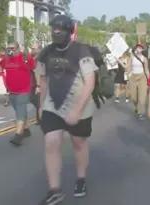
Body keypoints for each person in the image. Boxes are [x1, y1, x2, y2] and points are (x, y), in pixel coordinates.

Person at [36, 15, 99, 204]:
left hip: (79, 104)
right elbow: (44, 80)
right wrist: (41, 106)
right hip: (52, 105)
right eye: (53, 28)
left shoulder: (82, 51)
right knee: (51, 141)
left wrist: (77, 110)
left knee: (78, 143)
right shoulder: (46, 53)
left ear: (69, 31)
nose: (56, 32)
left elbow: (90, 82)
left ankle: (81, 178)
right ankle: (54, 189)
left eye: (60, 29)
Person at [0, 42, 36, 146]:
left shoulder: (26, 58)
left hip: (24, 90)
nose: (10, 50)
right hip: (12, 91)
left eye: (12, 48)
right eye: (8, 48)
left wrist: (38, 86)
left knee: (20, 112)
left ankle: (18, 135)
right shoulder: (6, 59)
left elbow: (35, 70)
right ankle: (26, 130)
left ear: (18, 49)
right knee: (20, 111)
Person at [129, 43, 149, 120]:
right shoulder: (132, 57)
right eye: (138, 48)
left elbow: (146, 70)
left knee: (142, 97)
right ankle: (137, 107)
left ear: (143, 50)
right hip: (133, 77)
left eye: (140, 48)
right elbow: (129, 67)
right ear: (135, 49)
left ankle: (141, 113)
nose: (139, 49)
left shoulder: (144, 59)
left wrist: (149, 80)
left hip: (142, 77)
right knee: (133, 97)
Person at [30, 43, 42, 124]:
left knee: (37, 101)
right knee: (34, 100)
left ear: (39, 50)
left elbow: (37, 73)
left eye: (34, 49)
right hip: (31, 83)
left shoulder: (39, 59)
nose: (32, 50)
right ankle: (40, 118)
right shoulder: (32, 58)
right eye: (32, 48)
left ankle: (40, 119)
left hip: (37, 84)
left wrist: (38, 86)